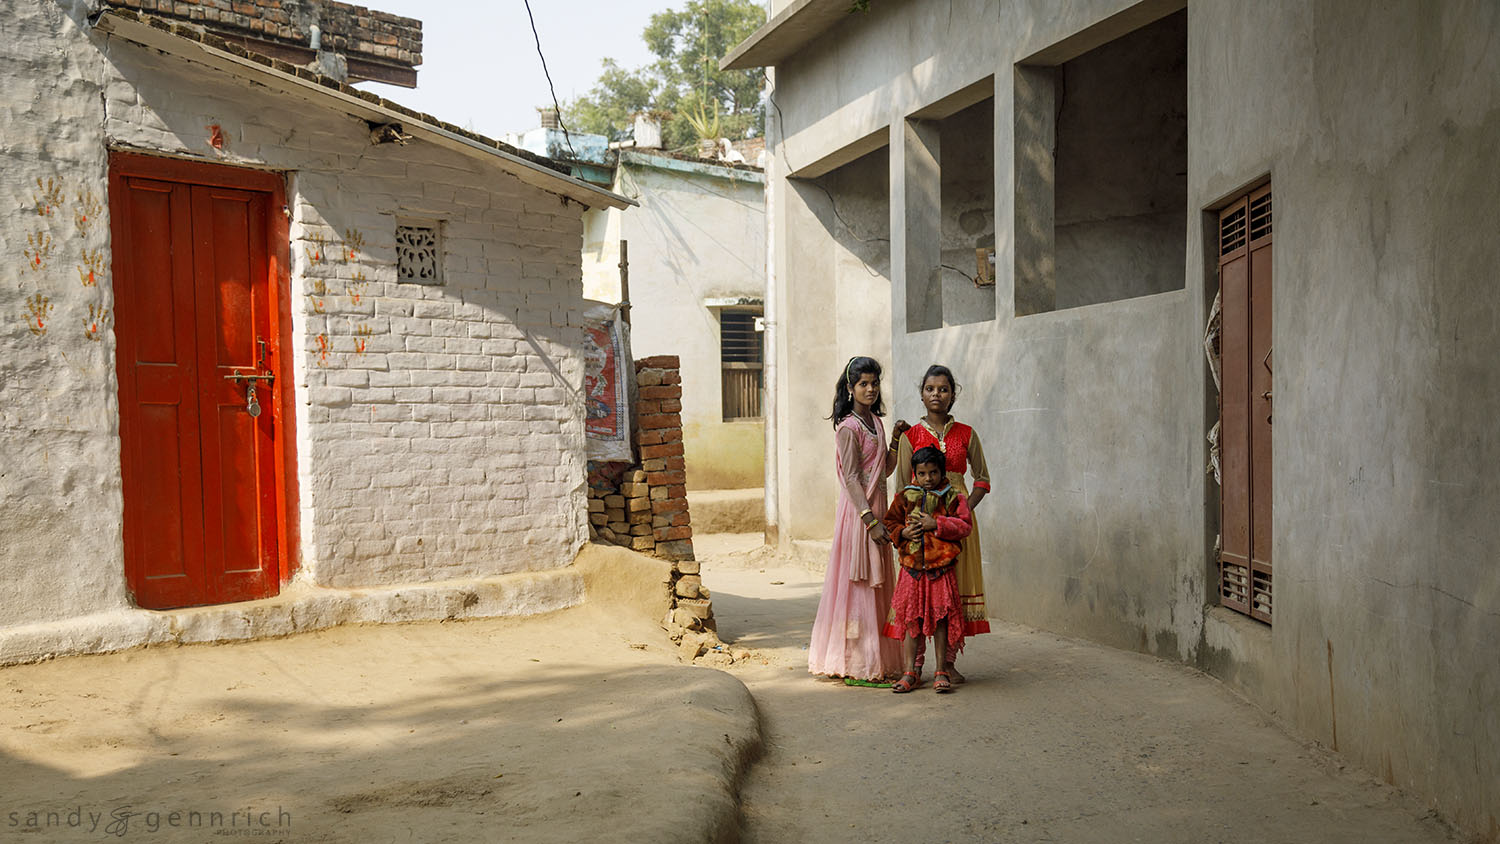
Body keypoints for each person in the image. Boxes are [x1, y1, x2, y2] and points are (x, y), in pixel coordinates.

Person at [807, 356, 907, 682]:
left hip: (878, 508)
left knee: (879, 586)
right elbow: (851, 478)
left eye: (874, 383)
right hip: (858, 514)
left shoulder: (875, 423)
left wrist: (894, 438)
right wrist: (869, 520)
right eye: (863, 384)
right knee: (860, 584)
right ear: (850, 388)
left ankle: (877, 659)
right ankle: (856, 661)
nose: (870, 389)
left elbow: (885, 470)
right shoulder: (848, 428)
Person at [895, 365, 991, 683]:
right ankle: (916, 667)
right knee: (926, 593)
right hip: (922, 528)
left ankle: (947, 665)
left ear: (953, 394)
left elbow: (982, 479)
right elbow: (901, 489)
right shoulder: (911, 437)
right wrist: (909, 529)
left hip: (958, 523)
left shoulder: (966, 433)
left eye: (944, 389)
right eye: (930, 389)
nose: (937, 394)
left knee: (954, 592)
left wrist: (964, 509)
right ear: (922, 393)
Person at [882, 445, 972, 694]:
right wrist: (903, 533)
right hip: (911, 570)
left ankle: (942, 670)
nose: (928, 479)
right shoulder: (904, 497)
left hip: (940, 570)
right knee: (913, 621)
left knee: (941, 620)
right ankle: (911, 671)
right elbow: (890, 523)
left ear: (942, 472)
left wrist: (938, 523)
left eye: (933, 472)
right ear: (915, 473)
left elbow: (965, 526)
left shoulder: (953, 497)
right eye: (922, 473)